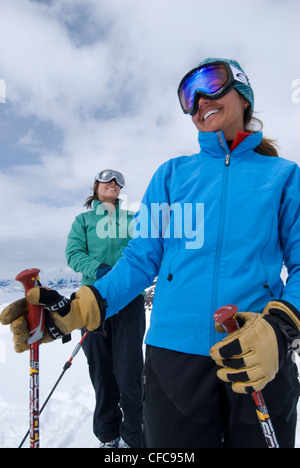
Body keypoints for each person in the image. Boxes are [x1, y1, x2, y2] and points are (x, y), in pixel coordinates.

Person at [2, 58, 300, 448]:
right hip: (174, 358)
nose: (200, 100)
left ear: (243, 94)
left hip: (257, 353)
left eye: (211, 82)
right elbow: (141, 258)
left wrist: (280, 328)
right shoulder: (172, 175)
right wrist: (82, 306)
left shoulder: (283, 177)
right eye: (189, 98)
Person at [65, 169, 146, 448]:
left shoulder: (132, 219)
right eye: (108, 179)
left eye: (119, 181)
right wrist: (98, 269)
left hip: (128, 300)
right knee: (102, 371)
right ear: (96, 187)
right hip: (93, 302)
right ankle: (108, 435)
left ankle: (135, 436)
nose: (114, 183)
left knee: (130, 371)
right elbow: (73, 254)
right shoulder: (84, 221)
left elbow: (146, 249)